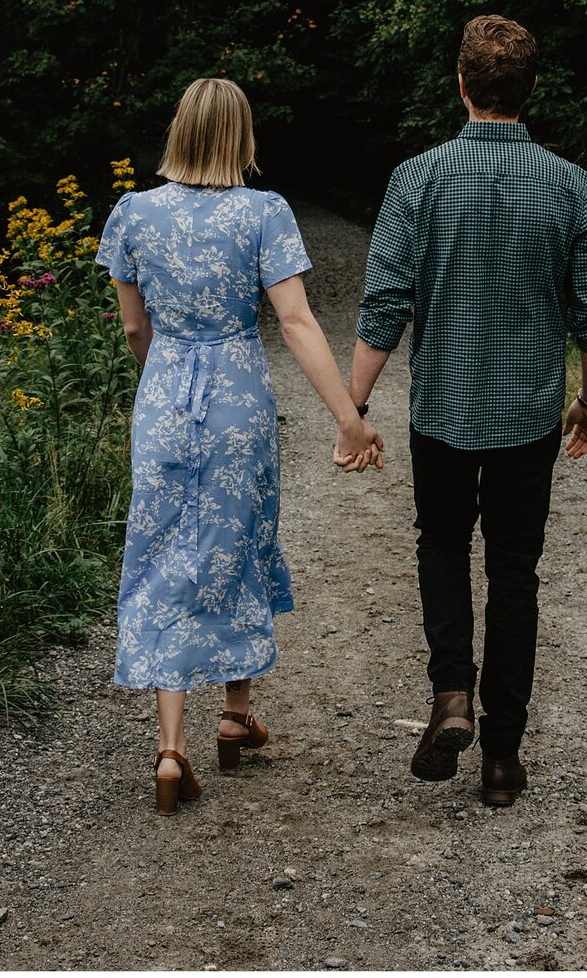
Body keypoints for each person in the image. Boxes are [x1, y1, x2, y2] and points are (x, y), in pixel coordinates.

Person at [344, 16, 587, 806]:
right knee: (514, 572)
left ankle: (451, 694)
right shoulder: (570, 185)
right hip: (528, 418)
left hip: (442, 413)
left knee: (441, 547)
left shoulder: (416, 178)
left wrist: (353, 406)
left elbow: (384, 307)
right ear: (530, 91)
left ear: (461, 84)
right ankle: (501, 757)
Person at [97, 78, 383, 815]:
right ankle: (234, 711)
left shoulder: (133, 212)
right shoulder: (264, 211)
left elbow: (134, 329)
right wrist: (349, 417)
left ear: (178, 130)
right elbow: (295, 323)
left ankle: (171, 749)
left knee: (165, 551)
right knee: (240, 539)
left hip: (163, 399)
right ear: (241, 137)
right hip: (236, 399)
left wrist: (164, 382)